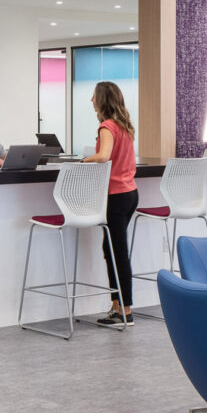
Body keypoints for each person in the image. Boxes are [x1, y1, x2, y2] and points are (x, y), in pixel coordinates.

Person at [82, 81, 139, 325]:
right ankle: (116, 305)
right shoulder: (124, 126)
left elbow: (104, 156)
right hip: (130, 193)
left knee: (118, 252)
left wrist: (83, 161)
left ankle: (126, 310)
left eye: (94, 97)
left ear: (102, 100)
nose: (91, 101)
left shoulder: (106, 126)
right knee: (111, 249)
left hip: (115, 195)